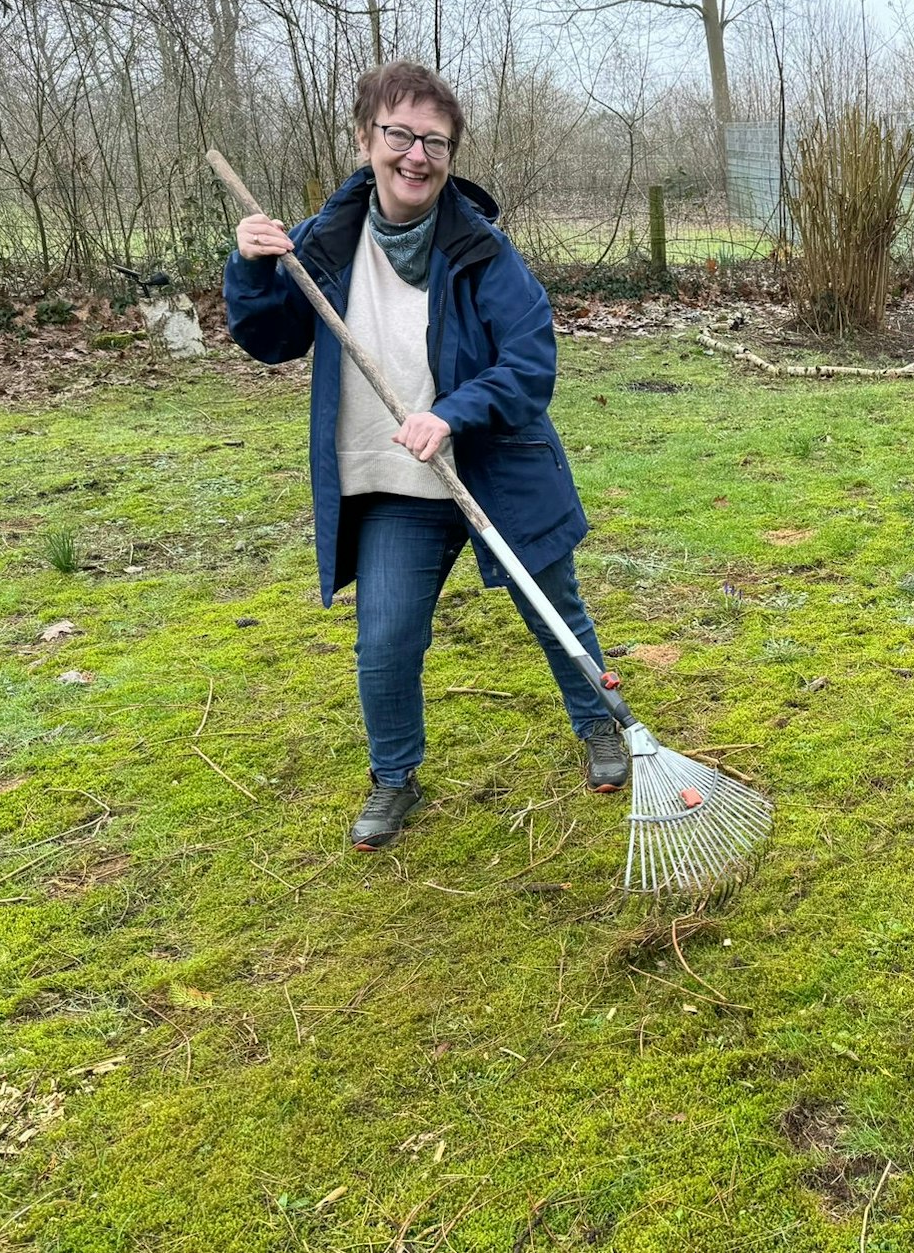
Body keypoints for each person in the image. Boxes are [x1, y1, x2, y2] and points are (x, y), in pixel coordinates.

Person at [223, 60, 628, 852]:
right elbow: (269, 339)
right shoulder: (322, 245)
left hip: (496, 472)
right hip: (393, 486)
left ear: (451, 154)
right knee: (386, 637)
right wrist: (250, 266)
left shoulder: (482, 250)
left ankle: (603, 725)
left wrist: (451, 414)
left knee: (555, 613)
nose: (416, 155)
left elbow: (530, 363)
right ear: (366, 138)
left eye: (434, 142)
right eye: (400, 135)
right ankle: (394, 775)